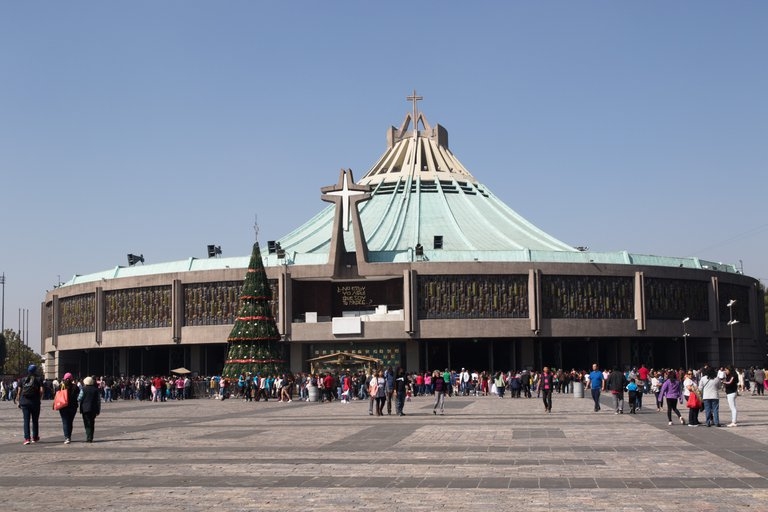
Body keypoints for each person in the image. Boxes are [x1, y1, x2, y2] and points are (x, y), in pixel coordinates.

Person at [18, 364, 44, 445]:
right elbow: (42, 390)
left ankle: (27, 438)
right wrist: (39, 398)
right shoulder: (38, 379)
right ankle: (35, 437)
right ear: (35, 370)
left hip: (24, 402)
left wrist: (18, 400)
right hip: (35, 402)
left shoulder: (22, 379)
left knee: (26, 421)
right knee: (35, 420)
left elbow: (19, 392)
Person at [58, 372, 80, 444]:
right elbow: (78, 394)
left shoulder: (61, 385)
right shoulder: (75, 386)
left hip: (63, 406)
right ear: (71, 378)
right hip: (73, 407)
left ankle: (67, 437)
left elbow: (56, 394)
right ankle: (69, 436)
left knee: (65, 422)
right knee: (70, 422)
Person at [79, 376, 102, 443]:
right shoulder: (96, 390)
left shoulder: (83, 389)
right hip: (93, 409)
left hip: (85, 408)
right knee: (92, 422)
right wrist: (98, 410)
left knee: (87, 423)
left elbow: (79, 398)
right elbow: (98, 401)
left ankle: (88, 437)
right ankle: (91, 437)